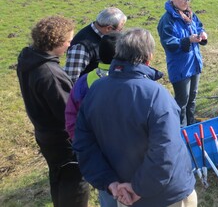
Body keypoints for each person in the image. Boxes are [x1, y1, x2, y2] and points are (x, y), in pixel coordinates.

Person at [73, 28, 197, 207]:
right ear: (149, 57)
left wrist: (111, 184)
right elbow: (165, 151)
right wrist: (138, 188)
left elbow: (84, 146)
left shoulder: (95, 91)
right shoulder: (157, 95)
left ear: (119, 53)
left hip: (123, 195)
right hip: (166, 197)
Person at [16, 16, 89, 207]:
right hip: (62, 139)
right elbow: (68, 113)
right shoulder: (51, 74)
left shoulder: (28, 57)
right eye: (68, 41)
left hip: (44, 133)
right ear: (55, 42)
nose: (69, 45)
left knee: (58, 177)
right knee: (75, 183)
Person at [65, 32, 119, 207]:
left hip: (97, 152)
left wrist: (83, 144)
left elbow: (71, 118)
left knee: (109, 193)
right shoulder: (127, 81)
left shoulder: (83, 82)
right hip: (125, 151)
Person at [157, 0, 207, 127]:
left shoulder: (190, 15)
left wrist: (202, 35)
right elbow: (168, 43)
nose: (186, 2)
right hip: (180, 68)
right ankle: (180, 132)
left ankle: (191, 128)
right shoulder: (167, 20)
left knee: (192, 99)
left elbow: (199, 26)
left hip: (194, 63)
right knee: (181, 103)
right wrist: (188, 40)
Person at [65, 7, 126, 83]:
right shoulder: (81, 47)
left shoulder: (104, 35)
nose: (121, 32)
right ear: (108, 28)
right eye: (120, 29)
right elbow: (71, 80)